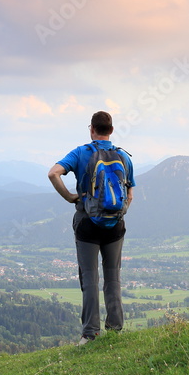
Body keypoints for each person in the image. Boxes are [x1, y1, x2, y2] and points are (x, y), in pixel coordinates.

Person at [48, 111, 135, 345]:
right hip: (115, 226)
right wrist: (118, 211)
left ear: (91, 129)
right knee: (113, 277)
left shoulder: (81, 153)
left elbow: (53, 173)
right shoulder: (124, 157)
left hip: (87, 222)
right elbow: (130, 193)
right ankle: (115, 328)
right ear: (112, 130)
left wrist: (70, 197)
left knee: (89, 278)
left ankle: (90, 333)